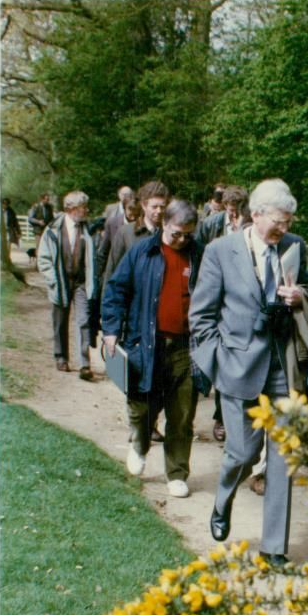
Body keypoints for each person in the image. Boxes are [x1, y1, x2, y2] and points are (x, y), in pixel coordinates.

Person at [189, 178, 308, 566]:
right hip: (237, 366)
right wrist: (217, 361)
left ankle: (274, 546)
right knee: (242, 453)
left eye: (289, 220)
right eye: (279, 220)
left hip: (283, 367)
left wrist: (301, 297)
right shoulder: (220, 251)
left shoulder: (295, 246)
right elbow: (201, 317)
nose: (284, 228)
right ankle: (223, 501)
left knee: (283, 457)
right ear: (256, 214)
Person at [102, 199, 203, 498]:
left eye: (188, 234)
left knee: (182, 412)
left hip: (187, 346)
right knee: (143, 405)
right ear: (163, 224)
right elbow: (116, 290)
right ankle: (139, 444)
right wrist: (110, 330)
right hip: (147, 343)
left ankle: (176, 472)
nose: (182, 239)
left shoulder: (200, 255)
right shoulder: (142, 252)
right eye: (177, 234)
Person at [195, 184, 251, 443]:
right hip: (216, 294)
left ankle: (230, 417)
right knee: (221, 358)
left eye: (236, 210)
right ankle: (220, 416)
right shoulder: (211, 224)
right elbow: (200, 257)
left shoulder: (249, 224)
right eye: (229, 210)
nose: (232, 215)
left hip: (239, 299)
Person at [37, 190, 97, 380]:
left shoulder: (88, 229)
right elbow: (44, 258)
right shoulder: (53, 229)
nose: (86, 210)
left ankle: (84, 364)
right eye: (83, 207)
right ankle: (61, 357)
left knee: (84, 321)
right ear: (72, 209)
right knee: (60, 321)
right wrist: (52, 280)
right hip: (61, 282)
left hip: (80, 282)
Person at [27, 192, 54, 257]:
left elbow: (51, 218)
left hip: (46, 230)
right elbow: (30, 218)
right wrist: (38, 222)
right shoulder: (35, 207)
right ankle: (37, 264)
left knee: (46, 247)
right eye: (46, 199)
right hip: (38, 230)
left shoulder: (49, 208)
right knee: (38, 246)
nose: (47, 201)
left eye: (48, 199)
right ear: (42, 199)